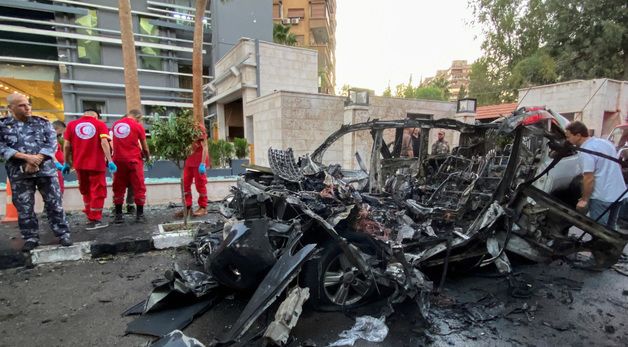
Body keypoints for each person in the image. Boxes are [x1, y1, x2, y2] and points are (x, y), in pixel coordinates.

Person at [0, 93, 72, 251]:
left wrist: (37, 159)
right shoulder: (3, 125)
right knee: (24, 208)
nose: (27, 108)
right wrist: (26, 158)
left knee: (55, 204)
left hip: (45, 170)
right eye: (21, 105)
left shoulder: (42, 122)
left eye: (28, 104)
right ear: (11, 108)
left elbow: (52, 143)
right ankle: (31, 237)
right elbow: (2, 147)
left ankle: (62, 234)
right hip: (20, 173)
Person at [565, 121, 627, 230]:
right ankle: (610, 246)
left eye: (569, 137)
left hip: (602, 197)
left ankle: (602, 247)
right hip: (618, 193)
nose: (567, 140)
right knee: (611, 229)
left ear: (578, 135)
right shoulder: (604, 142)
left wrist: (584, 199)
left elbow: (588, 178)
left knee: (599, 231)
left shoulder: (586, 151)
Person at [63, 109, 117, 229]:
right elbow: (104, 142)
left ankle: (89, 214)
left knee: (85, 189)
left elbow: (66, 145)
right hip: (96, 165)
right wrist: (110, 160)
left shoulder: (71, 125)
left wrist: (66, 162)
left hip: (79, 165)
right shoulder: (99, 124)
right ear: (96, 116)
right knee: (98, 191)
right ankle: (95, 219)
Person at [111, 109, 150, 224]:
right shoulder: (137, 126)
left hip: (118, 161)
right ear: (138, 117)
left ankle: (118, 216)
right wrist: (147, 157)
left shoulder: (115, 125)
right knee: (139, 187)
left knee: (118, 187)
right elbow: (145, 147)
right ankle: (140, 215)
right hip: (133, 160)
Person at [175, 123, 209, 218]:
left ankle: (203, 207)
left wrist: (202, 163)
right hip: (189, 161)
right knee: (185, 184)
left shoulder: (199, 128)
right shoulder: (184, 129)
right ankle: (187, 207)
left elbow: (205, 147)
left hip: (198, 162)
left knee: (200, 185)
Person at [52, 120, 66, 194]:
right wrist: (57, 163)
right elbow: (50, 152)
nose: (61, 134)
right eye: (60, 131)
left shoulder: (56, 139)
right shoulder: (50, 139)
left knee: (60, 188)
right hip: (54, 168)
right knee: (58, 189)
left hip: (58, 167)